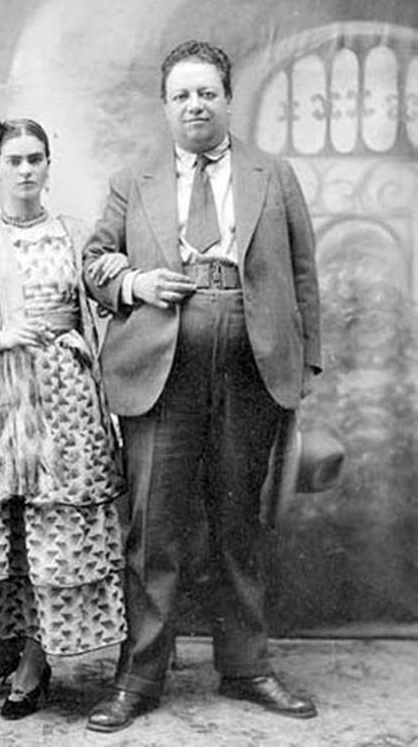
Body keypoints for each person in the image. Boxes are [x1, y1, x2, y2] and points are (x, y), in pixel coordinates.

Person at [83, 40, 322, 732]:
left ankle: (246, 668)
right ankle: (139, 678)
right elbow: (94, 262)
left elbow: (303, 274)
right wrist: (136, 282)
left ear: (227, 100)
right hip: (161, 364)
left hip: (252, 361)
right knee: (153, 527)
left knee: (239, 523)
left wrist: (304, 367)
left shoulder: (273, 175)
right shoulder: (133, 180)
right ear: (165, 107)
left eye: (207, 93)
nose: (195, 105)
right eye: (182, 95)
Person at [0, 118, 127, 720]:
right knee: (6, 526)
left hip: (66, 400)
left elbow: (109, 298)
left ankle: (36, 662)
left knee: (50, 528)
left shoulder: (74, 234)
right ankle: (2, 649)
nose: (25, 169)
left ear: (48, 165)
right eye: (14, 159)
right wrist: (1, 336)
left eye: (35, 158)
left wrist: (111, 299)